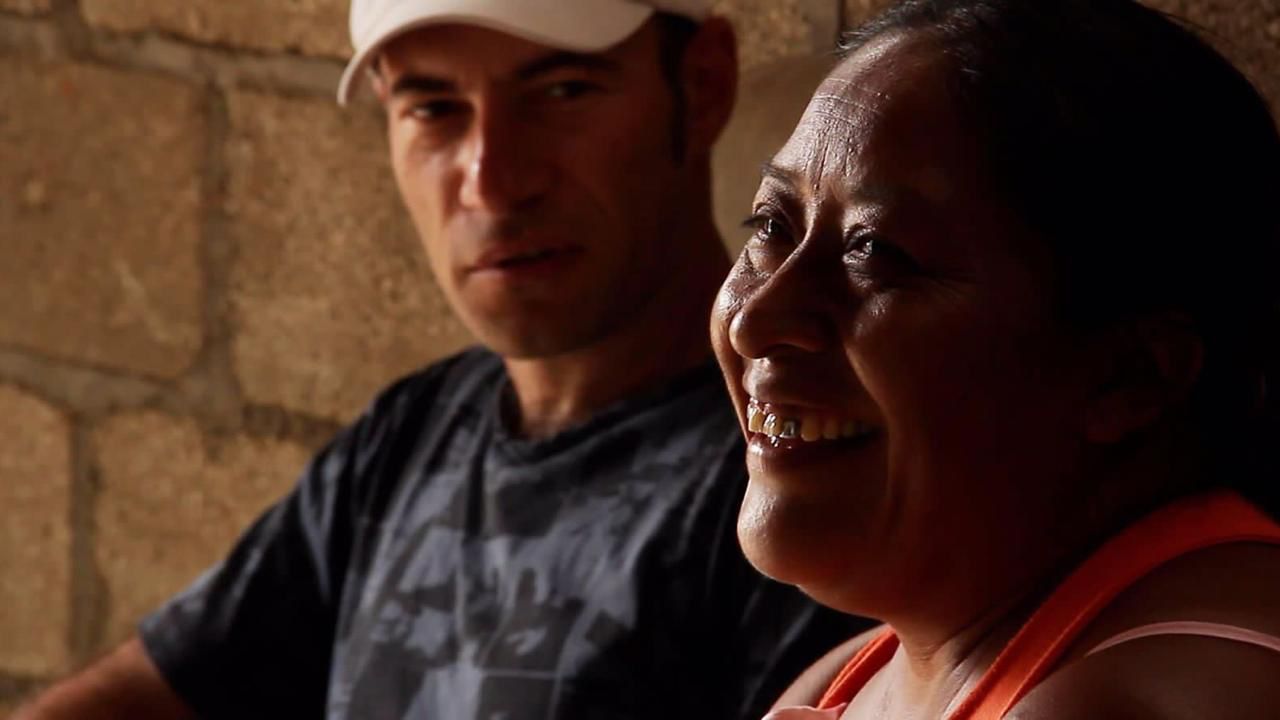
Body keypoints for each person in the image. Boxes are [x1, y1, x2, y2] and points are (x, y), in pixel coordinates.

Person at [14, 1, 867, 718]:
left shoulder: (787, 481)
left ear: (704, 83)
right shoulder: (413, 433)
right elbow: (148, 692)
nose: (492, 181)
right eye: (434, 109)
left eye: (563, 91)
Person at [709, 0, 1280, 717]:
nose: (755, 322)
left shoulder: (1143, 694)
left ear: (1130, 376)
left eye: (875, 251)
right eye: (771, 225)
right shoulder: (849, 680)